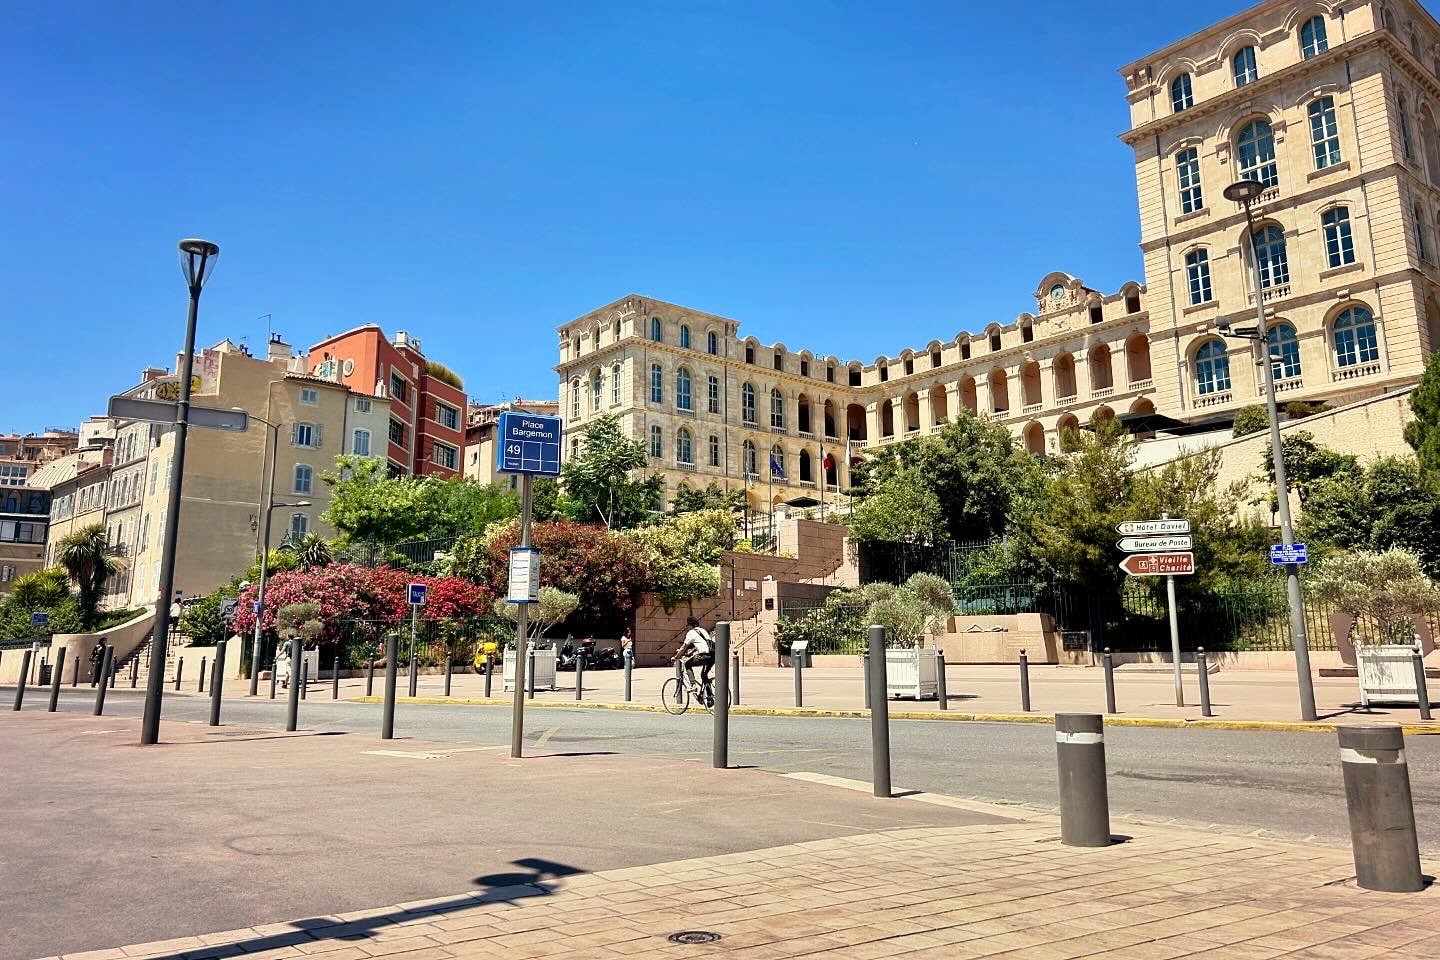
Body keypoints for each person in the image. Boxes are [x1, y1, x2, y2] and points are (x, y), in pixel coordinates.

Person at [673, 617, 714, 703]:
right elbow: (701, 643)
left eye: (687, 625)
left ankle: (693, 685)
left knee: (687, 664)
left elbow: (684, 647)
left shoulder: (691, 633)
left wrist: (676, 657)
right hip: (713, 655)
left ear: (690, 625)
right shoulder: (703, 630)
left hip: (704, 655)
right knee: (704, 675)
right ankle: (710, 698)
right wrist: (691, 652)